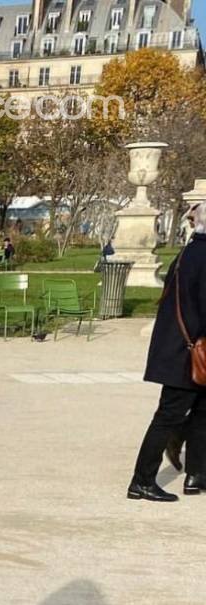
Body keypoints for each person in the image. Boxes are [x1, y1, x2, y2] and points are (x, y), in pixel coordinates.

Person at [128, 202, 206, 502]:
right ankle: (142, 481)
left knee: (201, 411)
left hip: (181, 347)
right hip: (188, 350)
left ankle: (196, 473)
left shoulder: (189, 252)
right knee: (168, 416)